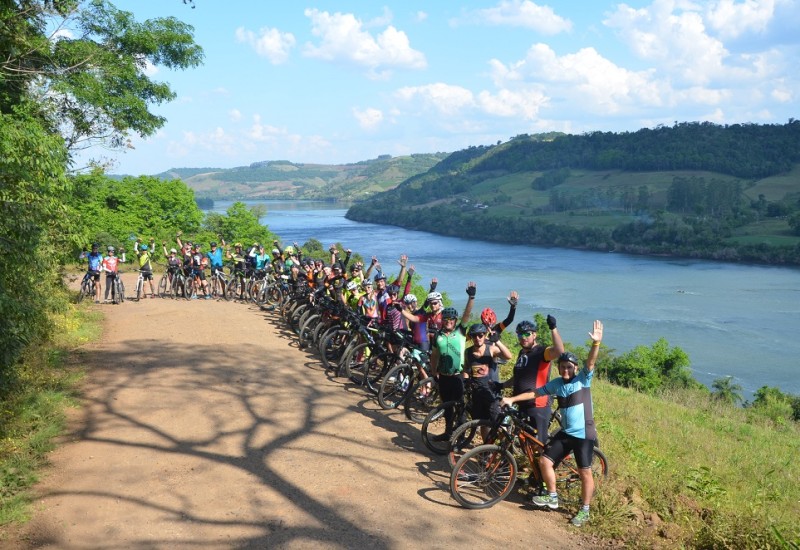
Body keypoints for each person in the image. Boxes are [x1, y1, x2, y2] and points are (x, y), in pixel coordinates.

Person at [502, 320, 604, 527]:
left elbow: (591, 363)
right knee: (545, 460)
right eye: (562, 367)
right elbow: (535, 392)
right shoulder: (557, 383)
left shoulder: (583, 379)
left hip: (584, 434)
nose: (565, 370)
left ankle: (585, 510)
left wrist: (595, 344)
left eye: (569, 367)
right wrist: (512, 399)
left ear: (575, 368)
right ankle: (552, 496)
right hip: (566, 432)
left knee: (585, 472)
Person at [499, 315, 564, 448]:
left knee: (538, 447)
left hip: (537, 406)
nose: (523, 337)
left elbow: (559, 351)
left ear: (534, 335)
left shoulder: (542, 352)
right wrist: (501, 385)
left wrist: (553, 328)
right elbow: (517, 378)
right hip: (522, 405)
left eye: (527, 334)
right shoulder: (521, 353)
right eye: (520, 334)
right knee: (526, 444)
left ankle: (543, 468)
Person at [429, 282, 477, 440]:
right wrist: (434, 372)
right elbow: (434, 355)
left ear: (455, 320)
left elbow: (467, 315)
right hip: (443, 376)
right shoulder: (438, 335)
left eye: (451, 319)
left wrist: (471, 297)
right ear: (442, 320)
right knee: (447, 407)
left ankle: (461, 436)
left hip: (458, 376)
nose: (448, 321)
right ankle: (448, 433)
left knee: (460, 407)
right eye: (446, 319)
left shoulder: (461, 332)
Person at [465, 322, 513, 442]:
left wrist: (497, 341)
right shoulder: (468, 352)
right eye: (474, 336)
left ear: (484, 335)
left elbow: (508, 356)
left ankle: (504, 450)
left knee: (499, 425)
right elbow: (466, 368)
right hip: (477, 393)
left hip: (492, 394)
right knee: (483, 424)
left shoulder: (491, 349)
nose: (477, 338)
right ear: (471, 337)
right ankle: (486, 451)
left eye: (480, 335)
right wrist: (466, 380)